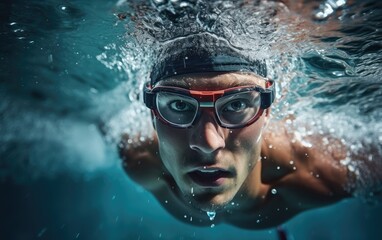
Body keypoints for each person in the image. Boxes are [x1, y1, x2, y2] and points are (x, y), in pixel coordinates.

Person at [118, 34, 380, 229]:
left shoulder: (323, 175)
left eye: (236, 104)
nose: (209, 143)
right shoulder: (138, 158)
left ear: (267, 111)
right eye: (178, 105)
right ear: (153, 114)